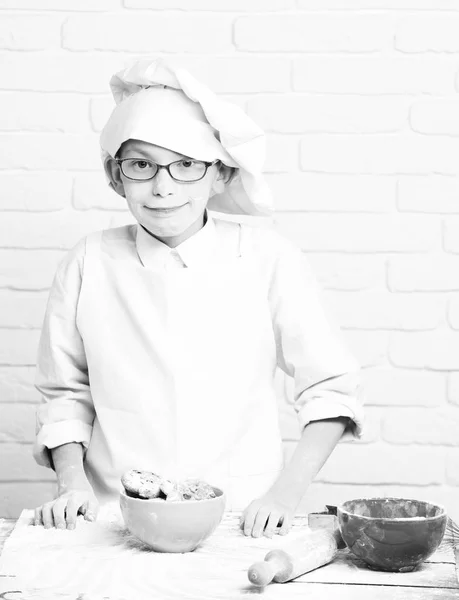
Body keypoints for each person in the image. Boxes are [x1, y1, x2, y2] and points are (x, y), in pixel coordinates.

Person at [32, 58, 364, 538]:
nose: (163, 186)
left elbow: (331, 390)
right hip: (113, 516)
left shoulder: (268, 258)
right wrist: (71, 484)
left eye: (186, 165)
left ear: (220, 175)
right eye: (141, 164)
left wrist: (282, 497)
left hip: (241, 517)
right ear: (114, 174)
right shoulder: (88, 261)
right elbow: (65, 394)